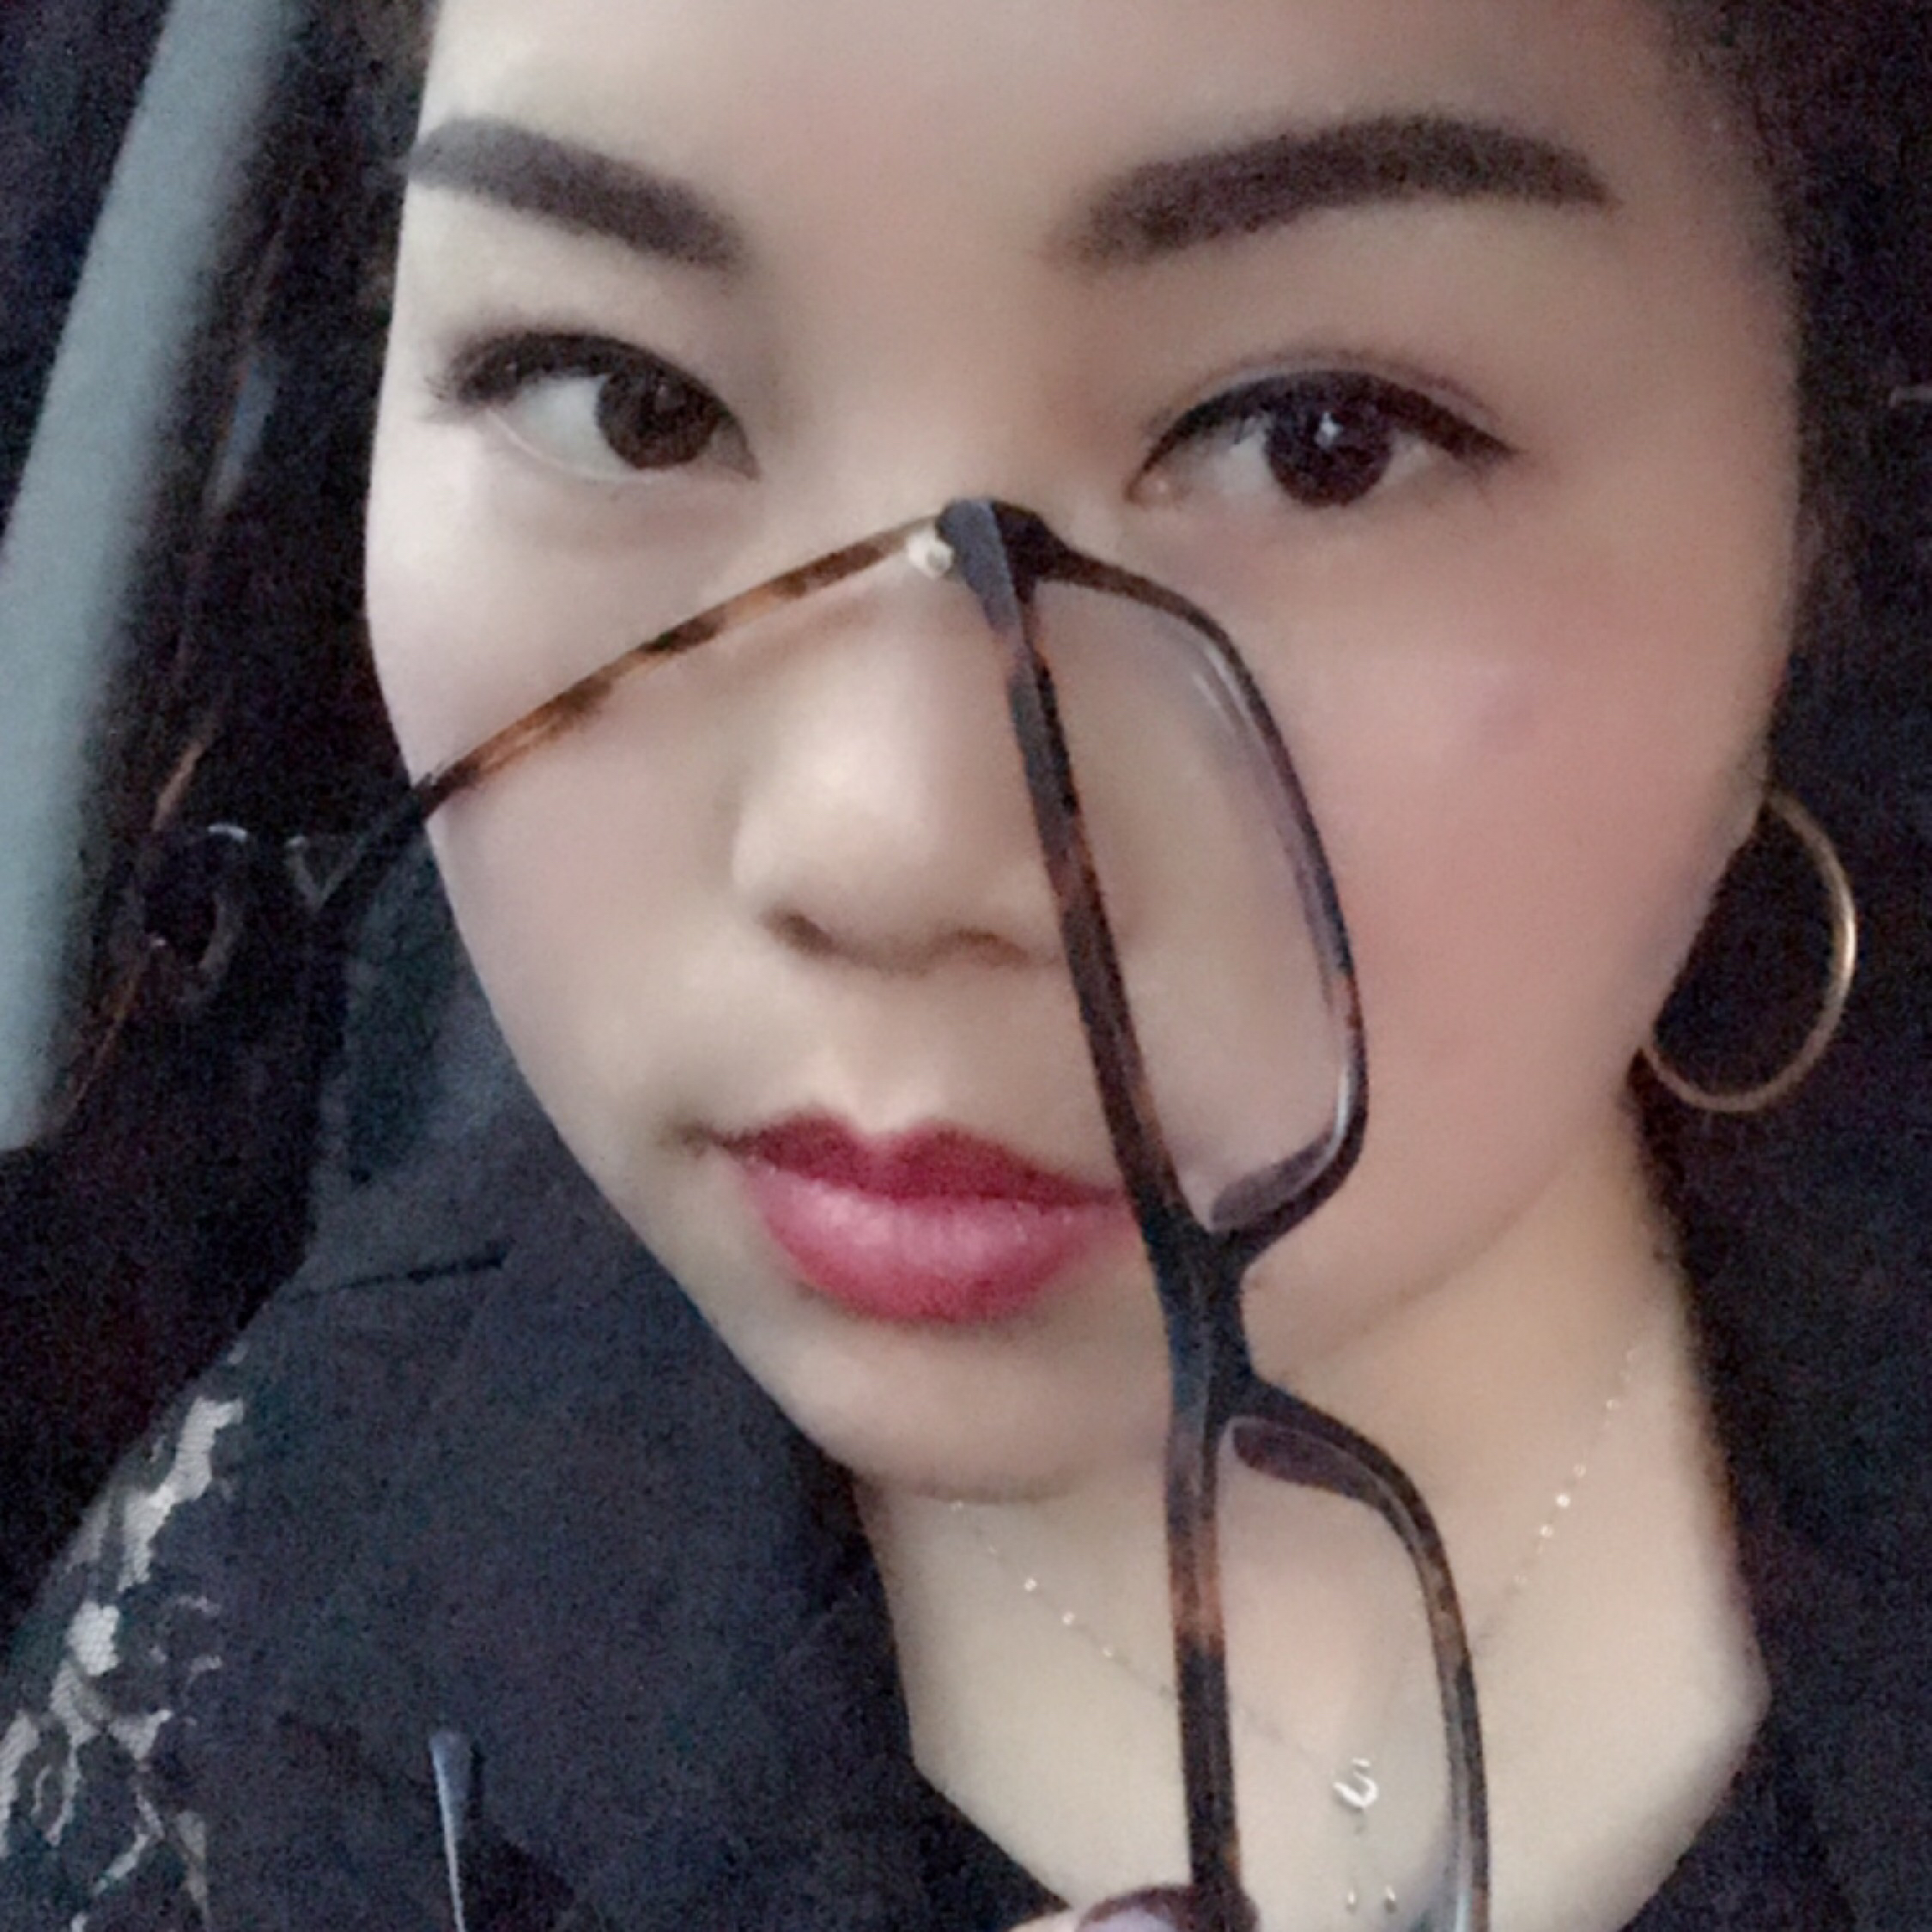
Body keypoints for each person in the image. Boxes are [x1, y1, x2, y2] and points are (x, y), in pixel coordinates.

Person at [3, 0, 1932, 1925]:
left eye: (1319, 445)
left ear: (1821, 488)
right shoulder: (242, 1686)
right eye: (622, 398)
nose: (886, 848)